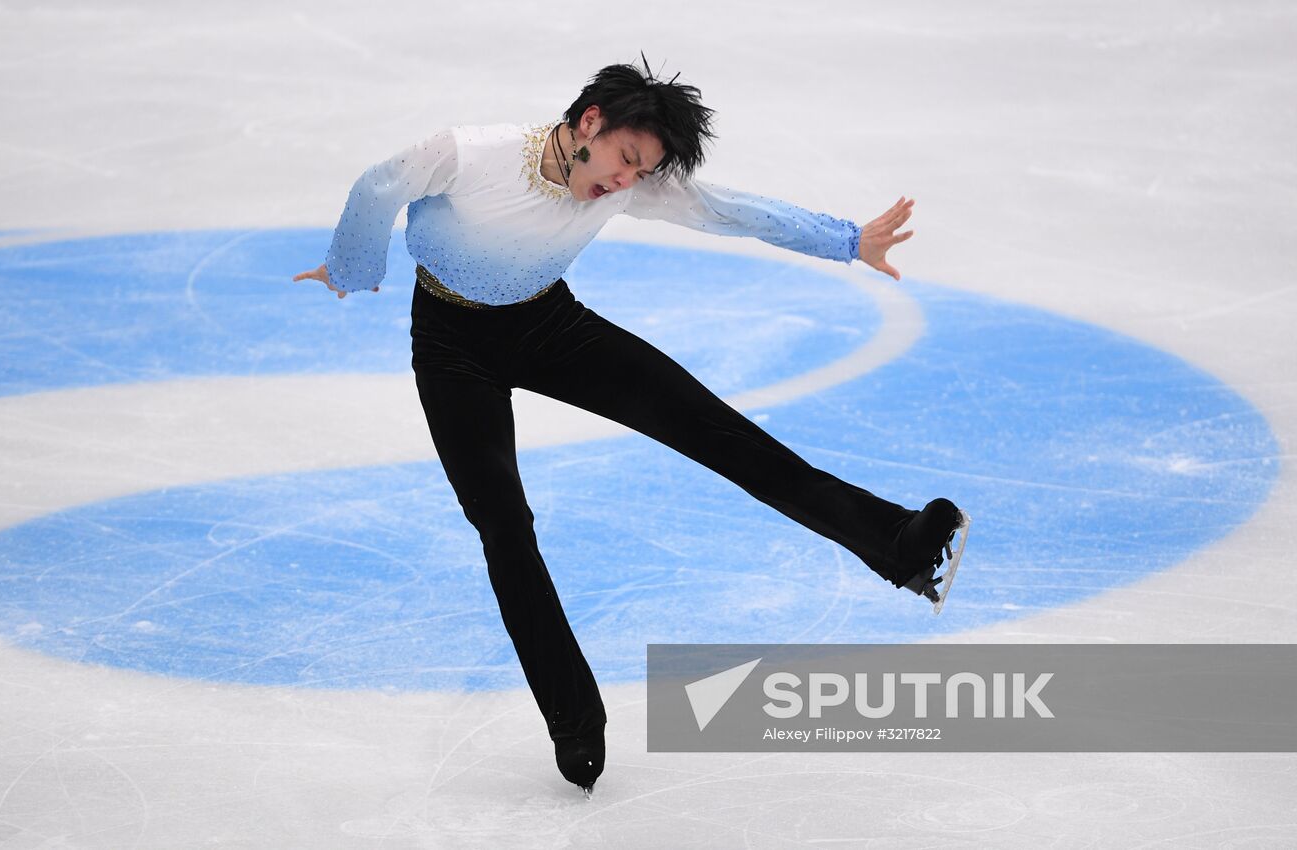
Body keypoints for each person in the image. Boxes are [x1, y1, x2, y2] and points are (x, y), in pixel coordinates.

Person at [295, 58, 966, 796]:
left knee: (718, 432)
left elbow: (726, 210)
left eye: (640, 170)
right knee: (505, 526)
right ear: (590, 123)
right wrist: (352, 266)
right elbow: (379, 186)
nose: (625, 181)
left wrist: (845, 240)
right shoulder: (471, 153)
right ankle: (574, 717)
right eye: (625, 159)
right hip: (452, 350)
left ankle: (899, 545)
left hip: (552, 327)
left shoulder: (630, 183)